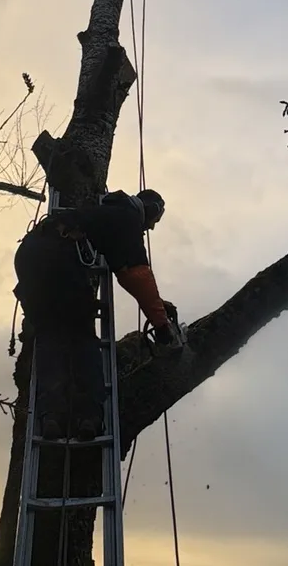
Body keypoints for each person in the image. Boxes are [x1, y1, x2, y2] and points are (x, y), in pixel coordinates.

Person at [13, 188, 181, 441]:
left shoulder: (102, 215)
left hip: (30, 256)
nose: (151, 228)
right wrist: (162, 326)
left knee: (50, 335)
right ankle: (89, 418)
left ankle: (51, 417)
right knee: (83, 338)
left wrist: (157, 303)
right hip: (61, 260)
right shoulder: (127, 219)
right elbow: (136, 275)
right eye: (154, 221)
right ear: (150, 211)